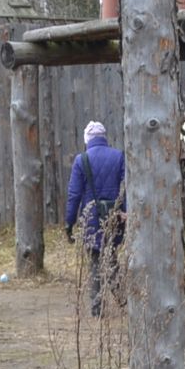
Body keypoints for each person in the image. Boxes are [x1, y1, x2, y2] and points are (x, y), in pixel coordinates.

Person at [64, 120, 126, 317]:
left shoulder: (81, 160)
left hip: (91, 217)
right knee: (111, 256)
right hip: (115, 216)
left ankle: (97, 306)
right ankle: (123, 299)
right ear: (104, 137)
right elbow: (128, 187)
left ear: (87, 139)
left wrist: (69, 222)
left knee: (94, 262)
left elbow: (74, 194)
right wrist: (127, 213)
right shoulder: (119, 156)